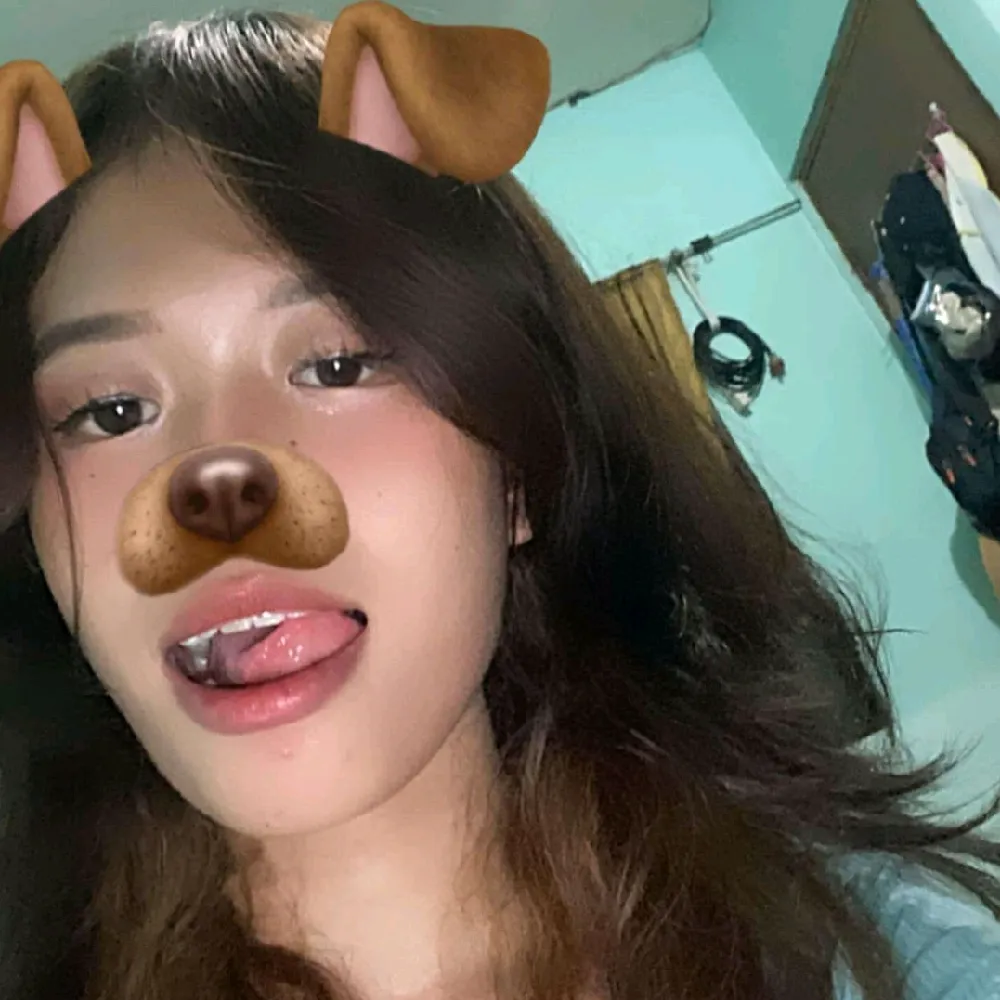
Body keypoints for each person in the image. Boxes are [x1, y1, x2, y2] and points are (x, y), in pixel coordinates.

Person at [0, 5, 997, 999]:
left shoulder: (887, 960)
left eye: (339, 362)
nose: (215, 475)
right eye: (110, 410)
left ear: (516, 461)